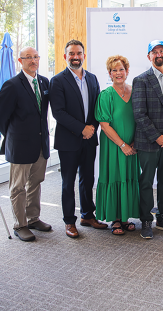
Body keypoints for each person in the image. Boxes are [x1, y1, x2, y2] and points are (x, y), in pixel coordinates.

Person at [50, 39, 107, 238]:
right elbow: (58, 112)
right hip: (68, 140)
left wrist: (92, 129)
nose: (75, 57)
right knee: (68, 182)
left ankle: (87, 215)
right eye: (72, 54)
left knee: (88, 179)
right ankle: (69, 221)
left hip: (89, 139)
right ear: (65, 56)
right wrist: (82, 129)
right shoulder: (58, 81)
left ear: (84, 55)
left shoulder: (92, 78)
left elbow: (98, 108)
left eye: (79, 53)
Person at [0, 46, 51, 242]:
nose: (33, 60)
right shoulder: (12, 85)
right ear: (20, 61)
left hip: (41, 144)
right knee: (18, 187)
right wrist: (14, 136)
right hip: (20, 145)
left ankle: (33, 218)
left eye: (36, 57)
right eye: (28, 57)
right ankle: (20, 225)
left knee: (36, 182)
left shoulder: (44, 82)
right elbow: (1, 117)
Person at [132, 40, 163, 239]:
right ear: (149, 57)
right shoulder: (140, 80)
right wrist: (157, 137)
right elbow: (139, 113)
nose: (158, 54)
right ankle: (146, 220)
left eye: (161, 51)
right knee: (146, 182)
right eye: (154, 52)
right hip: (148, 142)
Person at [95, 55, 140, 235]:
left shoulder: (135, 92)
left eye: (121, 69)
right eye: (114, 70)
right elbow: (104, 125)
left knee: (128, 176)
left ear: (127, 71)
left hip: (133, 145)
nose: (118, 73)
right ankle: (115, 219)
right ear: (109, 73)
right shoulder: (106, 95)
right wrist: (122, 145)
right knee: (114, 176)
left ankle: (125, 218)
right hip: (114, 146)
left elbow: (141, 118)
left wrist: (134, 142)